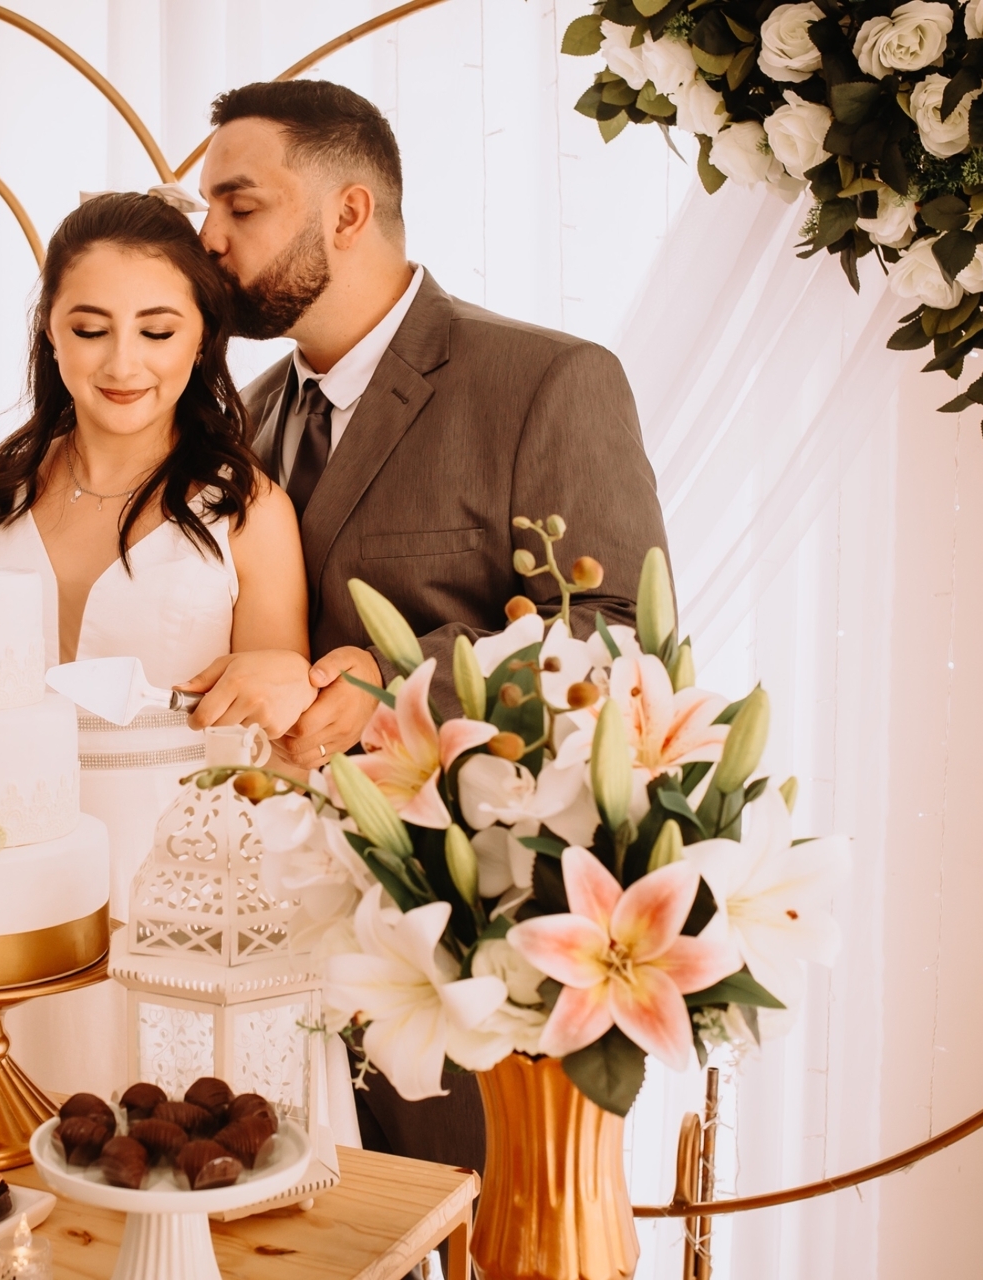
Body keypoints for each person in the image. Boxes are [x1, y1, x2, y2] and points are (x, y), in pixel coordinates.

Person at [185, 80, 668, 1184]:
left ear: (349, 212)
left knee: (469, 1234)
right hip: (272, 960)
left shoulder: (548, 381)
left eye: (239, 205)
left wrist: (402, 681)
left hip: (471, 953)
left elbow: (621, 642)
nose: (208, 236)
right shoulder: (243, 417)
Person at [0, 192, 312, 1098]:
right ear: (50, 332)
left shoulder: (247, 507)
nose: (123, 362)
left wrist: (288, 677)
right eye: (90, 329)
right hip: (7, 883)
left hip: (186, 896)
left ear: (203, 339)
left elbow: (280, 750)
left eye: (158, 331)